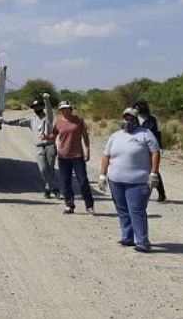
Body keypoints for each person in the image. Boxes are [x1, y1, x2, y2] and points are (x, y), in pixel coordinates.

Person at [98, 107, 161, 252]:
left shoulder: (146, 134)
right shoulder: (116, 135)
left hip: (138, 181)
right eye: (126, 118)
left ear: (136, 119)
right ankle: (127, 237)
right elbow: (106, 155)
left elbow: (155, 153)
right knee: (122, 209)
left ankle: (143, 241)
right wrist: (102, 175)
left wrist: (154, 173)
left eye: (131, 118)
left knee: (136, 210)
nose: (128, 121)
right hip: (116, 180)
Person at [2, 93, 59, 199]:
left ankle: (47, 189)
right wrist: (6, 122)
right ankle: (54, 188)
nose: (37, 109)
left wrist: (46, 99)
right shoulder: (31, 120)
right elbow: (19, 122)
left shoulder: (48, 118)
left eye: (39, 107)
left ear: (42, 107)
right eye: (35, 107)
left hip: (50, 146)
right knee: (42, 169)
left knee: (50, 170)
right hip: (38, 147)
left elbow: (50, 110)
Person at [54, 100, 94, 215]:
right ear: (60, 111)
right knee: (66, 181)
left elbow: (85, 136)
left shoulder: (78, 120)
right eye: (62, 109)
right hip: (63, 156)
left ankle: (89, 205)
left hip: (77, 155)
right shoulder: (58, 122)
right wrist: (45, 138)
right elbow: (53, 136)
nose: (65, 111)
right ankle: (69, 205)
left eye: (66, 108)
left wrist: (87, 150)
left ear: (70, 109)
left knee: (83, 181)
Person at [133, 99, 167, 202]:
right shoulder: (134, 119)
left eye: (139, 107)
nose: (138, 109)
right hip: (137, 147)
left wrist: (160, 147)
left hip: (151, 148)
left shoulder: (153, 119)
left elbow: (158, 133)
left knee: (153, 170)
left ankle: (161, 193)